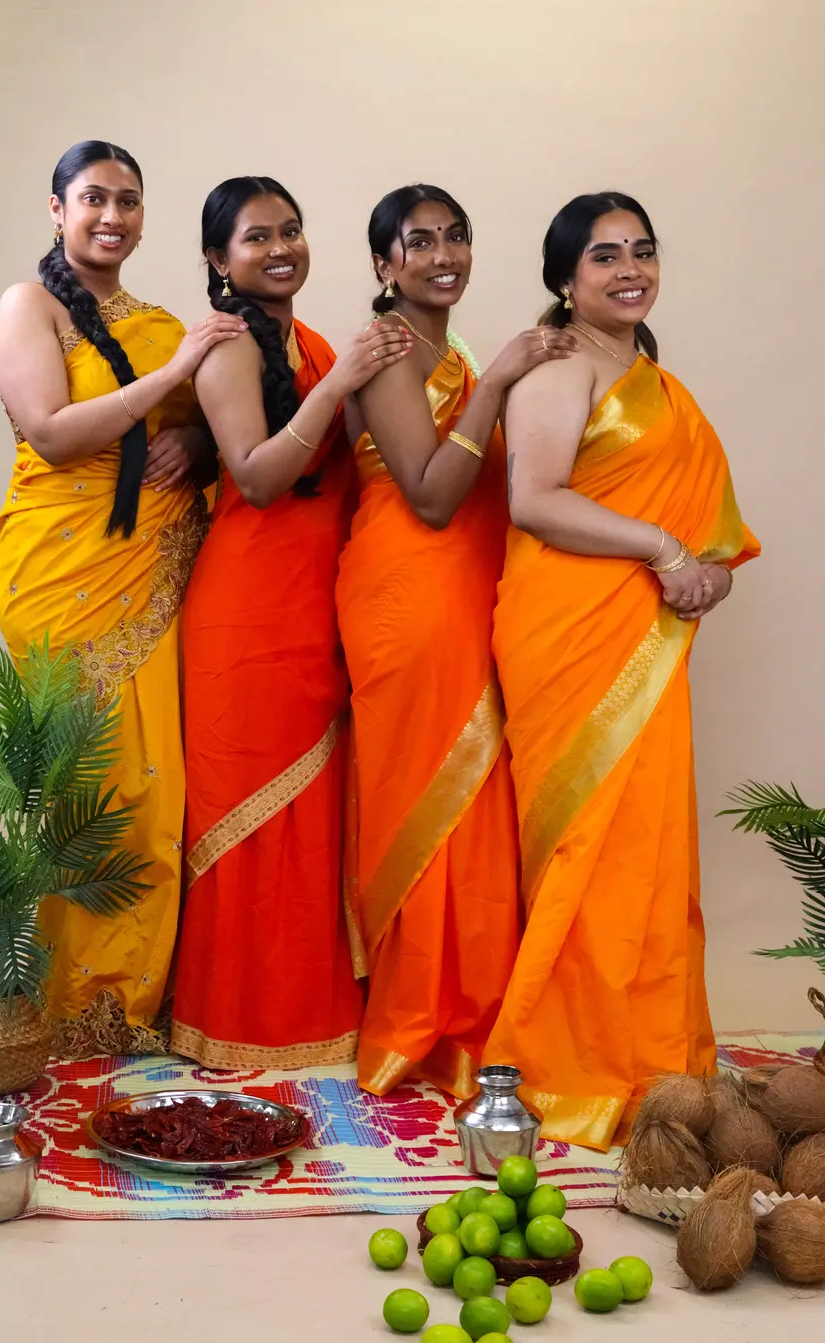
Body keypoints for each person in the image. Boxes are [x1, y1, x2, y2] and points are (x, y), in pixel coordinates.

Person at [485, 191, 760, 1150]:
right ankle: (572, 1067)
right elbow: (532, 499)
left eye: (642, 251)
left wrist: (707, 571)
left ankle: (657, 1062)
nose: (629, 269)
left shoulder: (658, 385)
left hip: (644, 634)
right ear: (567, 278)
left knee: (647, 850)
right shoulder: (558, 368)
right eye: (605, 257)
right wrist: (660, 547)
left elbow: (711, 530)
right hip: (567, 629)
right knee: (586, 849)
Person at [0, 140, 245, 1055]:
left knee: (152, 787)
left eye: (129, 201)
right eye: (94, 198)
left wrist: (201, 452)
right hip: (60, 575)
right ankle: (66, 1007)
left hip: (151, 572)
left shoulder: (165, 322)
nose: (112, 216)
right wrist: (174, 378)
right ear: (57, 207)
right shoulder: (32, 305)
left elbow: (222, 434)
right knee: (83, 785)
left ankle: (132, 1003)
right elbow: (54, 434)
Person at [336, 184, 578, 1097]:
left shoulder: (449, 349)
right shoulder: (392, 352)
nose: (444, 255)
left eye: (458, 237)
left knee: (479, 808)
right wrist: (506, 379)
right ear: (384, 264)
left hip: (471, 587)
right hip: (413, 592)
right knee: (431, 807)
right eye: (420, 241)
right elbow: (432, 494)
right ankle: (420, 1024)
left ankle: (477, 1014)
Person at [172, 177, 411, 1069]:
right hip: (247, 613)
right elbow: (260, 477)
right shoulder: (231, 346)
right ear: (217, 259)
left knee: (314, 819)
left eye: (293, 230)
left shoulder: (305, 343)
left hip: (319, 603)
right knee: (252, 815)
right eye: (256, 236)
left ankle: (315, 1019)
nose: (282, 247)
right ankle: (239, 1025)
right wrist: (342, 382)